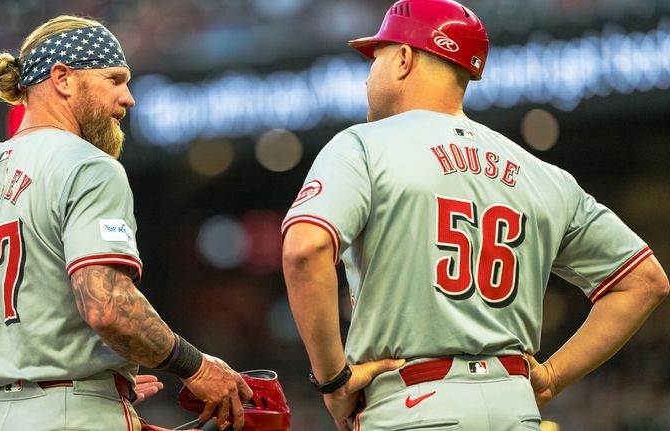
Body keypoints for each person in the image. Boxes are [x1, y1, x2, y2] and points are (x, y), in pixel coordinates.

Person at [280, 0, 670, 430]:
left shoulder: (362, 146)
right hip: (515, 408)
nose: (370, 75)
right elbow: (644, 281)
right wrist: (554, 377)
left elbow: (306, 249)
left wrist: (333, 381)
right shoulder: (542, 174)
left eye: (378, 58)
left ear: (405, 59)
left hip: (409, 405)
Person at [0, 15, 252, 431]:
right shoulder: (88, 166)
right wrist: (195, 368)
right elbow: (108, 306)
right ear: (62, 78)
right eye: (114, 79)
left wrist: (93, 383)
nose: (128, 98)